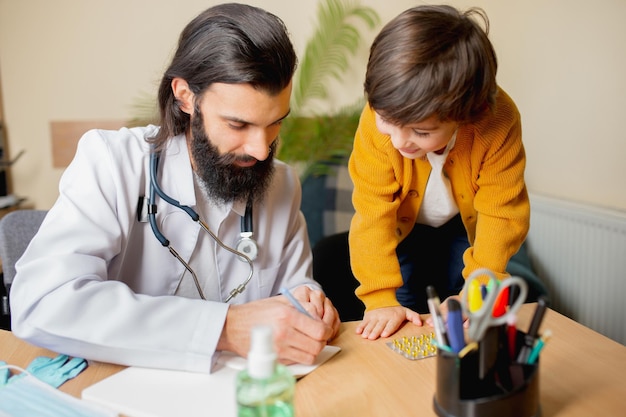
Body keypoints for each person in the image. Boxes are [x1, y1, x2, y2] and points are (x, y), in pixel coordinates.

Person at [10, 3, 340, 373]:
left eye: (275, 123)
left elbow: (296, 289)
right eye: (237, 124)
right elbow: (43, 302)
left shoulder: (281, 184)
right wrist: (225, 328)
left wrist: (310, 307)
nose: (261, 149)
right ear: (185, 96)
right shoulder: (112, 163)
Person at [347, 4, 530, 339]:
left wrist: (478, 290)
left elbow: (501, 213)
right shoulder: (374, 123)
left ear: (468, 113)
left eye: (422, 131)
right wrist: (379, 298)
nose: (401, 142)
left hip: (466, 223)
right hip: (402, 228)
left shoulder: (498, 120)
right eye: (387, 121)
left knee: (462, 316)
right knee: (404, 311)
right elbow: (372, 215)